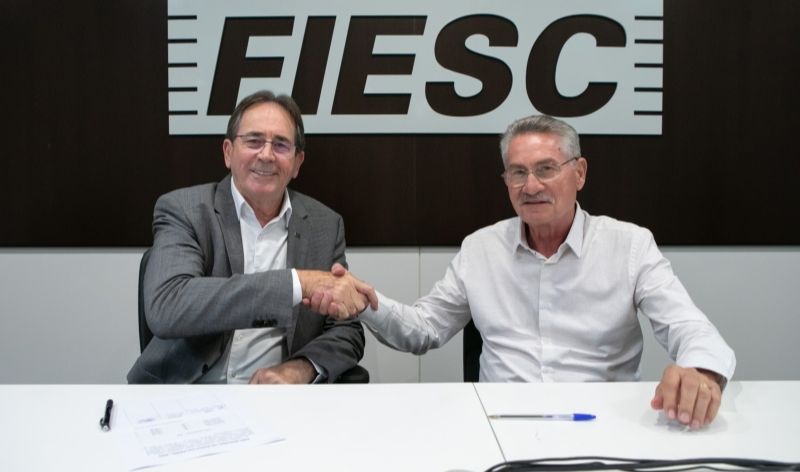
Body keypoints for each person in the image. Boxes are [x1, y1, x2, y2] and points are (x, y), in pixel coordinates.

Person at [313, 115, 736, 429]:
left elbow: (692, 329)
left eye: (546, 169)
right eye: (517, 172)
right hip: (502, 427)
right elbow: (423, 329)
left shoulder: (629, 246)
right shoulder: (481, 249)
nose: (530, 186)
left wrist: (700, 372)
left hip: (602, 426)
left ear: (579, 173)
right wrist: (366, 303)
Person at [128, 90, 376, 385]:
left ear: (297, 163)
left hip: (274, 397)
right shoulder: (185, 210)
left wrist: (300, 369)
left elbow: (346, 329)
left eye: (281, 144)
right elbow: (168, 305)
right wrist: (298, 284)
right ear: (228, 152)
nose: (266, 155)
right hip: (186, 391)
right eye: (254, 141)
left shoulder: (325, 225)